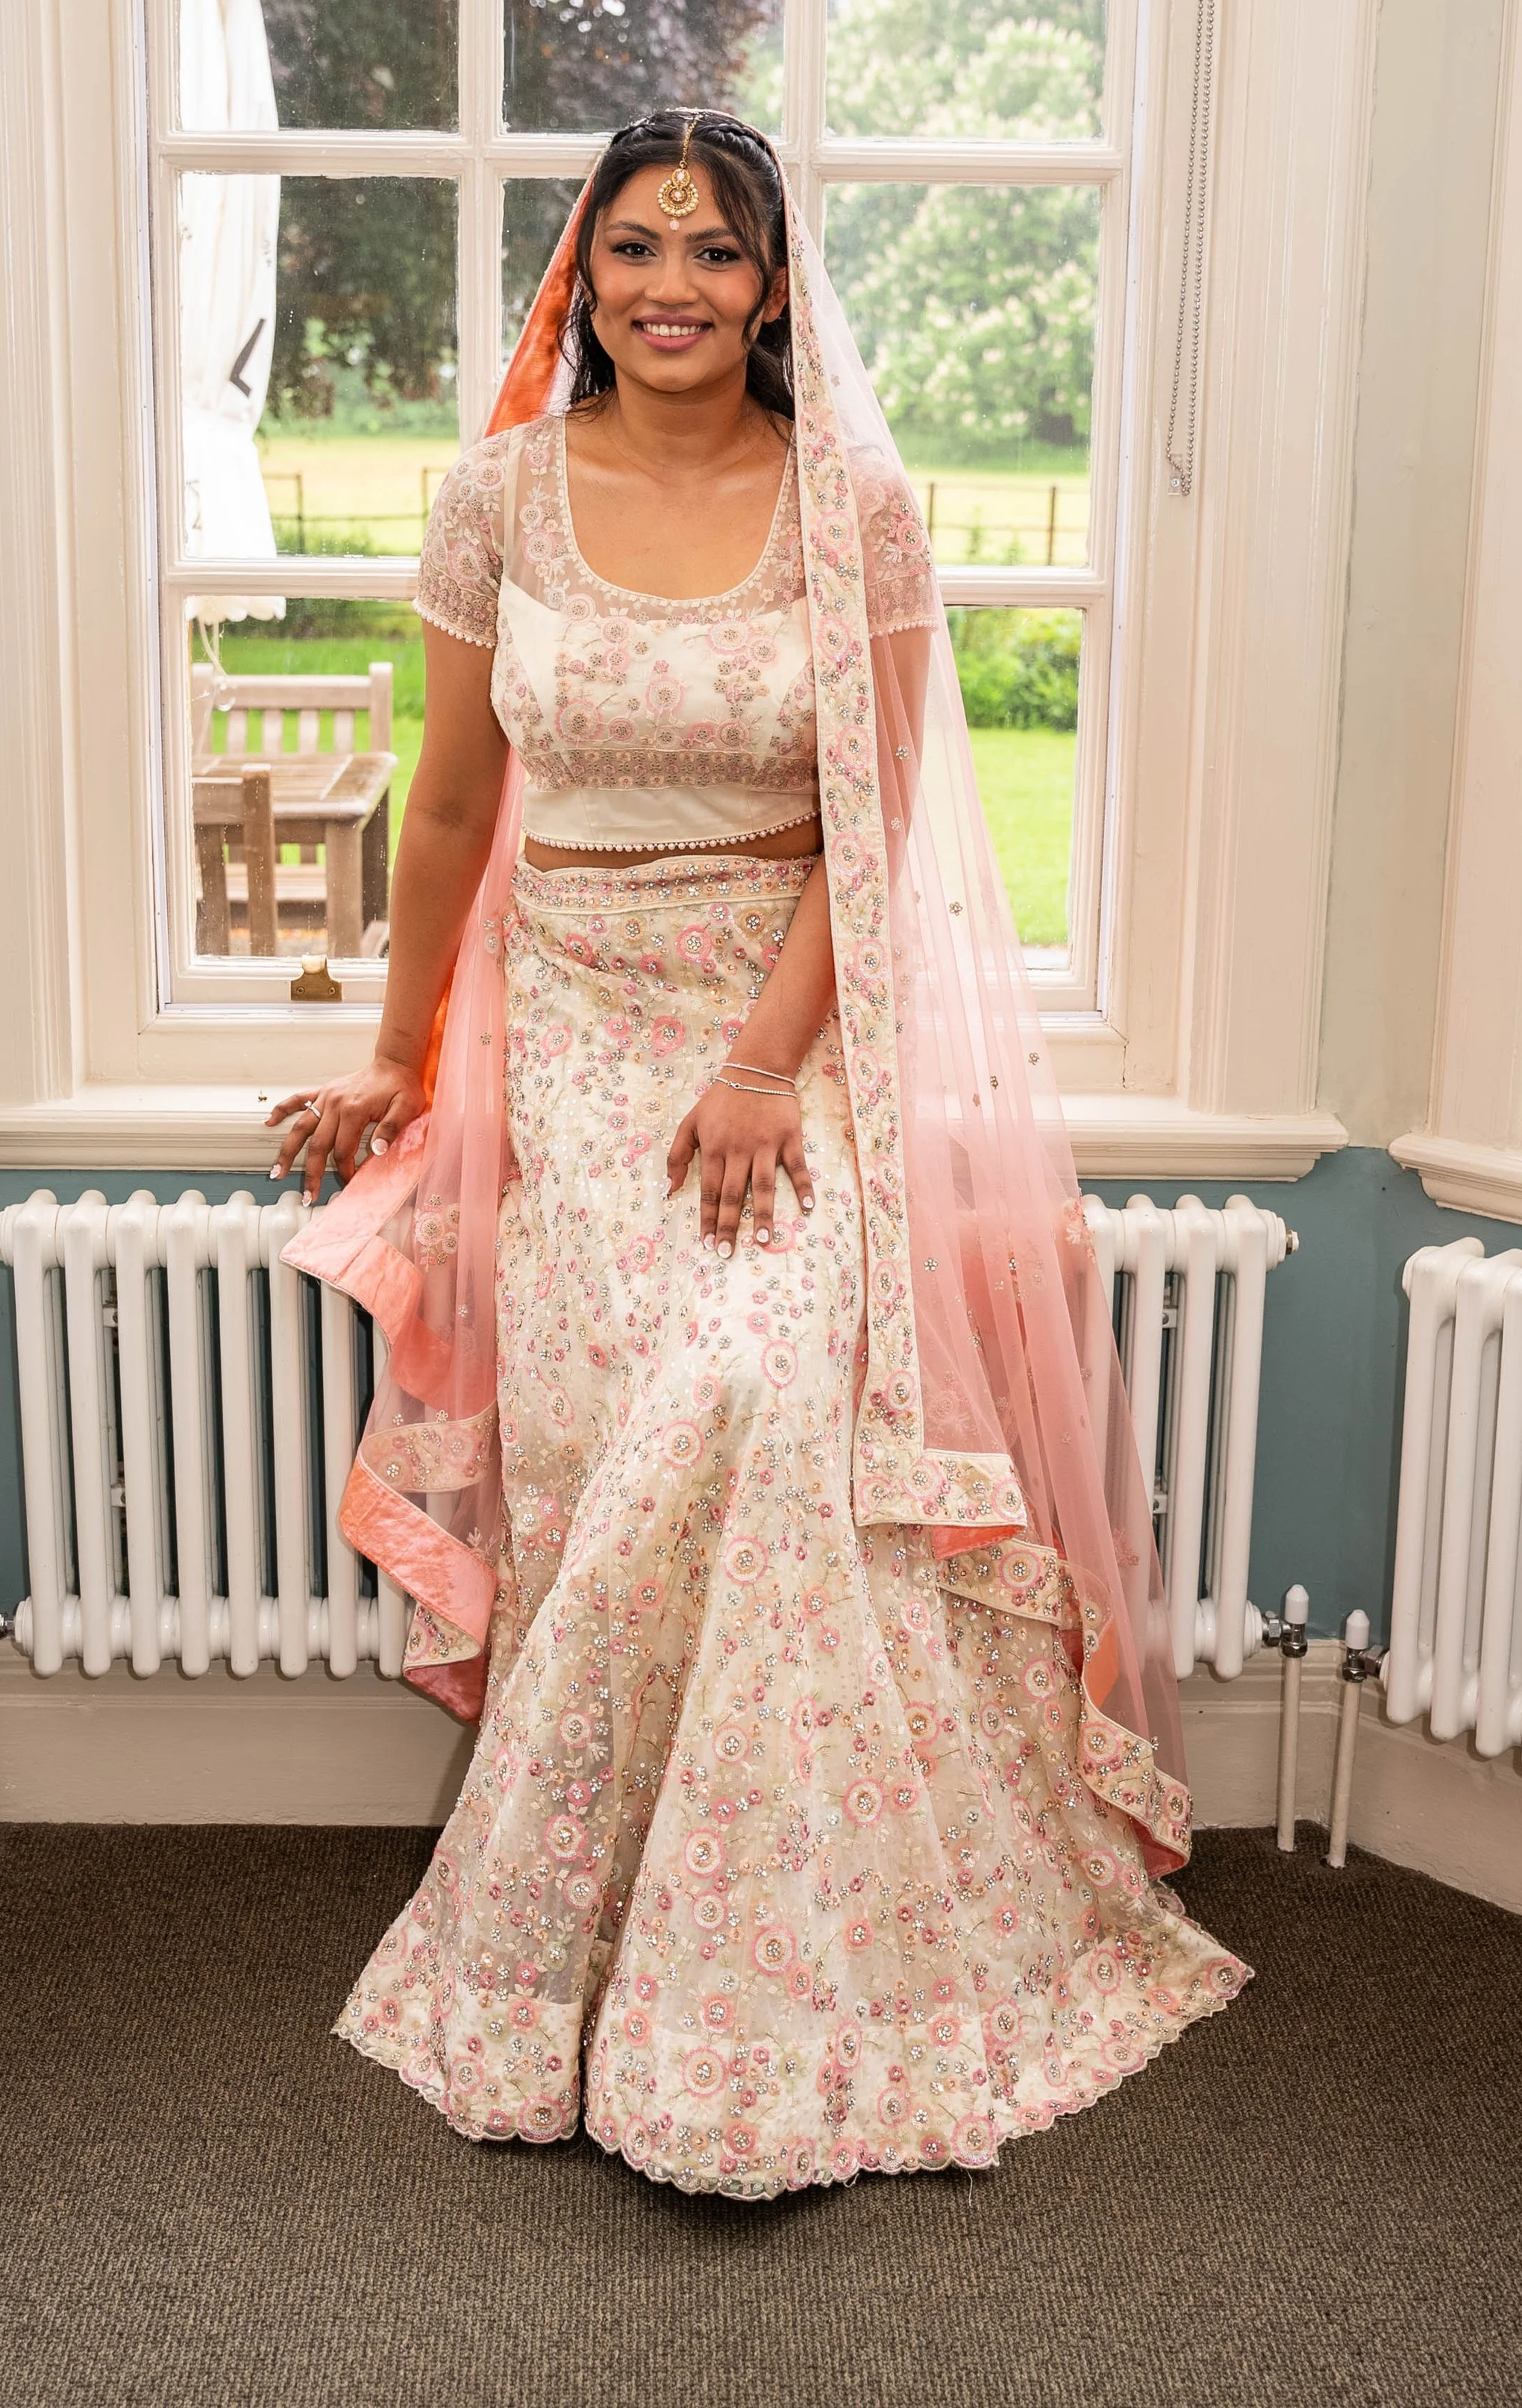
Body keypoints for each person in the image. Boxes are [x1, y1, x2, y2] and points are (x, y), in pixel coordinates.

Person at [269, 109, 1246, 2199]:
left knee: (758, 1398)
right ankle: (600, 1946)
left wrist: (757, 1069)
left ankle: (780, 1984)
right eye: (634, 248)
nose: (672, 286)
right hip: (571, 1051)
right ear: (582, 275)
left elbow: (867, 828)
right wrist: (397, 1052)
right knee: (619, 1450)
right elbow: (446, 811)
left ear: (777, 285)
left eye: (713, 252)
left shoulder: (857, 505)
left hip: (770, 1047)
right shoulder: (496, 495)